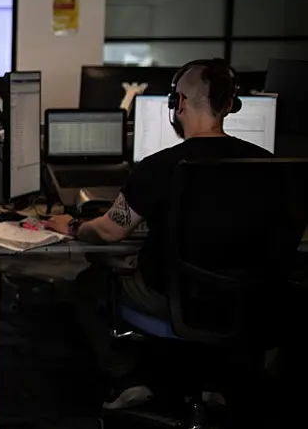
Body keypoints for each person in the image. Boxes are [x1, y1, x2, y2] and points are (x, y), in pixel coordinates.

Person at [44, 59, 272, 409]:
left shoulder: (159, 166)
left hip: (171, 295)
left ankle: (129, 380)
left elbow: (108, 231)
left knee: (87, 284)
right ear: (229, 106)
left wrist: (73, 225)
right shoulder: (267, 164)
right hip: (250, 296)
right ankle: (218, 383)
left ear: (177, 103)